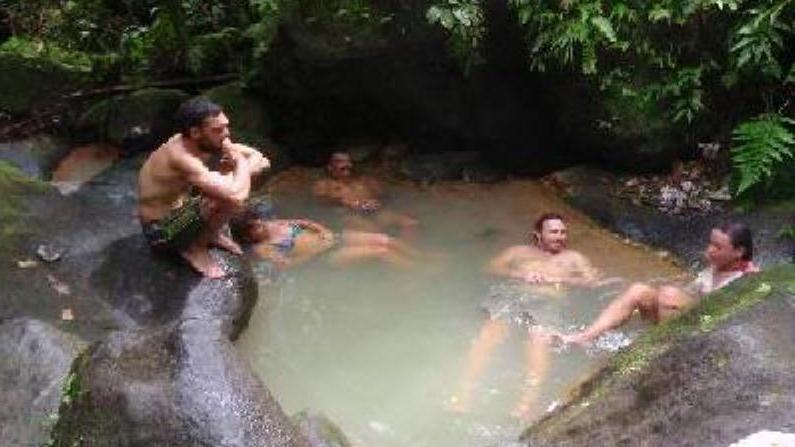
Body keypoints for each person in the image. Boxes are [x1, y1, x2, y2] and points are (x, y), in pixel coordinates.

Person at [451, 213, 603, 420]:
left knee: (538, 339)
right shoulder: (519, 252)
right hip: (512, 295)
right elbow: (490, 268)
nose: (560, 236)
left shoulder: (573, 258)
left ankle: (526, 403)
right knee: (491, 332)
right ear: (538, 235)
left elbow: (592, 282)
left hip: (547, 303)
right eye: (554, 232)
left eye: (563, 232)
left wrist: (556, 278)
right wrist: (521, 275)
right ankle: (464, 393)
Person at [562, 222, 759, 345]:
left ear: (739, 252)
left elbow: (731, 323)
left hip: (702, 332)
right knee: (639, 290)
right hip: (685, 320)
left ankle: (659, 350)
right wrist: (633, 311)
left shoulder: (745, 279)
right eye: (710, 243)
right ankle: (585, 337)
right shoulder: (716, 267)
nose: (710, 250)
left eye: (718, 247)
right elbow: (689, 293)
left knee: (668, 293)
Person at [137, 97, 270, 278]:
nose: (226, 134)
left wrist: (241, 166)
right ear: (195, 132)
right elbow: (236, 195)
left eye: (226, 126)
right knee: (225, 197)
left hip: (182, 210)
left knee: (228, 185)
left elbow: (261, 158)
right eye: (218, 130)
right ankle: (195, 249)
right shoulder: (181, 156)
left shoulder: (207, 141)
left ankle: (209, 235)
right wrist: (240, 163)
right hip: (161, 230)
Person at [230, 201, 423, 269]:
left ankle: (421, 257)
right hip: (323, 256)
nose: (261, 226)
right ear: (246, 237)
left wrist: (322, 230)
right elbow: (286, 267)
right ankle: (420, 271)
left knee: (385, 239)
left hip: (331, 238)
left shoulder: (272, 224)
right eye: (254, 227)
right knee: (380, 250)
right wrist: (315, 251)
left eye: (258, 221)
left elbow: (303, 222)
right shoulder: (263, 249)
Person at [312, 151, 418, 239]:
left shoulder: (365, 180)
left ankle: (407, 252)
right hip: (349, 216)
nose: (347, 165)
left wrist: (378, 203)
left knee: (411, 223)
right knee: (374, 232)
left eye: (349, 161)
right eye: (340, 162)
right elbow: (321, 201)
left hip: (376, 213)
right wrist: (347, 203)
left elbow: (385, 196)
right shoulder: (323, 184)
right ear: (330, 167)